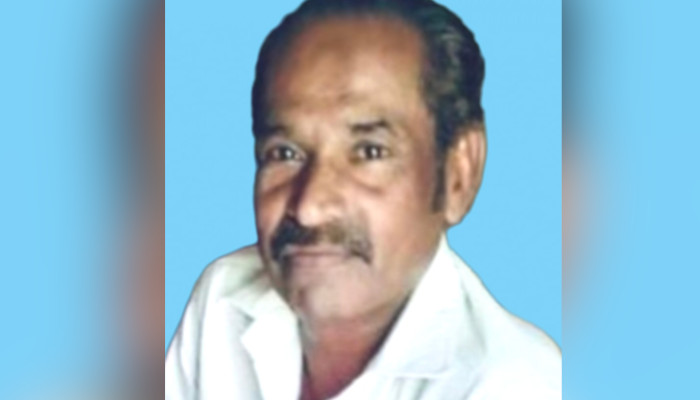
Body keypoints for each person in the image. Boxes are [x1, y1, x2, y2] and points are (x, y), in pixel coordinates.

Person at [166, 0, 561, 399]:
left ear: (459, 175)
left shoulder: (516, 386)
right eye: (285, 153)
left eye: (369, 152)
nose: (309, 207)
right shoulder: (222, 305)